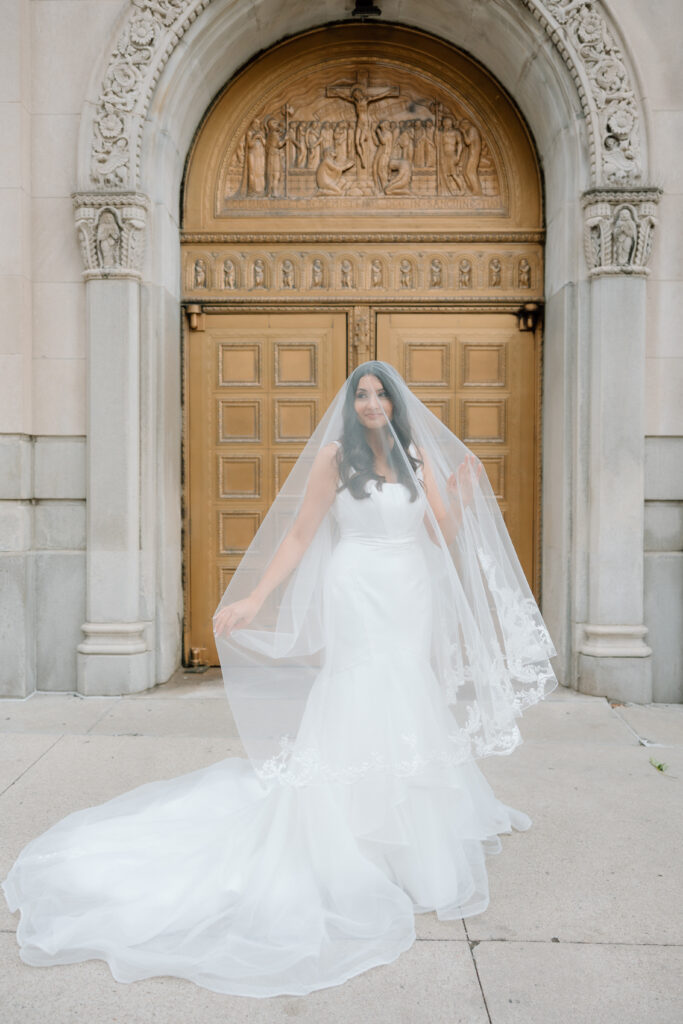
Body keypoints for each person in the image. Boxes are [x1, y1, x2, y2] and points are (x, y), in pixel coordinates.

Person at [2, 361, 556, 998]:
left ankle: (410, 828)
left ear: (397, 405)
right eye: (363, 395)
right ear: (351, 407)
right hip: (356, 589)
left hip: (408, 591)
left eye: (382, 394)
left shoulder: (416, 459)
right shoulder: (334, 459)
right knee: (358, 689)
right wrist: (257, 598)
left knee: (407, 691)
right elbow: (298, 535)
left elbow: (441, 533)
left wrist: (457, 492)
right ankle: (352, 828)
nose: (373, 403)